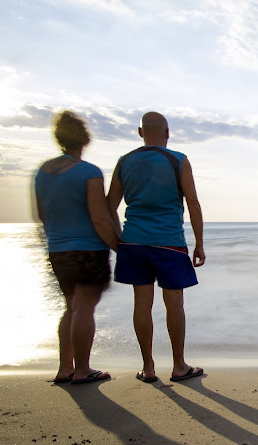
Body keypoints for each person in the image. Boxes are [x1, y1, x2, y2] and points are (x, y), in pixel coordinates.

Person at [107, 112, 205, 383]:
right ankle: (179, 366)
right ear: (168, 132)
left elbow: (109, 206)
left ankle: (148, 368)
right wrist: (199, 243)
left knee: (142, 304)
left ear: (140, 132)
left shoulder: (124, 161)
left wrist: (119, 241)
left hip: (134, 242)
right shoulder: (178, 160)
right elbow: (193, 204)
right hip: (169, 244)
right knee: (174, 306)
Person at [34, 110, 118, 385]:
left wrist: (55, 240)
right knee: (84, 308)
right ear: (84, 140)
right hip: (87, 249)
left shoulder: (43, 172)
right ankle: (82, 370)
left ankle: (64, 368)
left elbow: (41, 214)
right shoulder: (89, 172)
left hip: (57, 249)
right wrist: (119, 246)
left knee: (70, 306)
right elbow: (100, 218)